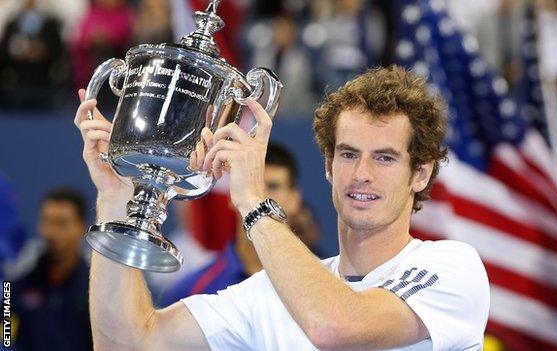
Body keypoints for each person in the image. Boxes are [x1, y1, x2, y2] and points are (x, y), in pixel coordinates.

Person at [74, 65, 489, 350]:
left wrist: (253, 201)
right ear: (328, 165)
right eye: (347, 155)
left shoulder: (452, 268)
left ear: (419, 174)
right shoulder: (270, 293)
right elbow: (125, 342)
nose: (361, 174)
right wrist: (115, 200)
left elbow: (335, 326)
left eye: (384, 158)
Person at [158, 142, 322, 306]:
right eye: (252, 185)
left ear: (295, 200)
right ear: (232, 196)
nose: (260, 196)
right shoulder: (191, 292)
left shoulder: (324, 284)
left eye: (273, 186)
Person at [13, 188, 92, 351]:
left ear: (81, 226)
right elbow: (5, 336)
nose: (51, 232)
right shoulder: (16, 286)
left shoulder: (98, 290)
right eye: (46, 221)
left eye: (61, 223)